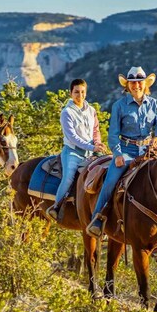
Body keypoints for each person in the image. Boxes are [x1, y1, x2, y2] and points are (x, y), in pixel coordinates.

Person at [85, 67, 157, 238]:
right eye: (132, 83)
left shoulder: (154, 104)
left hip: (149, 150)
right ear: (127, 86)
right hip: (126, 150)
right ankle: (97, 220)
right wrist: (118, 155)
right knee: (110, 181)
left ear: (145, 84)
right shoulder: (119, 106)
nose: (136, 85)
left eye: (139, 82)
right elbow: (113, 134)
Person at [46, 78, 108, 222]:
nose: (80, 95)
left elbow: (95, 130)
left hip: (91, 152)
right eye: (76, 92)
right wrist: (92, 147)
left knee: (104, 172)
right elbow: (72, 137)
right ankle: (56, 206)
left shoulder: (91, 110)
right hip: (73, 152)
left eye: (82, 92)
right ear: (70, 93)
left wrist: (98, 143)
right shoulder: (66, 112)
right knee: (68, 178)